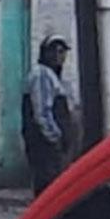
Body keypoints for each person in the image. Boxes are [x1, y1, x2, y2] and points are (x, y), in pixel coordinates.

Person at [22, 36, 73, 195]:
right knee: (48, 186)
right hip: (45, 145)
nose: (61, 57)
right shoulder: (41, 75)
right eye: (58, 51)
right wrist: (55, 138)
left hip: (50, 146)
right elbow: (42, 112)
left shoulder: (52, 76)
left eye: (63, 52)